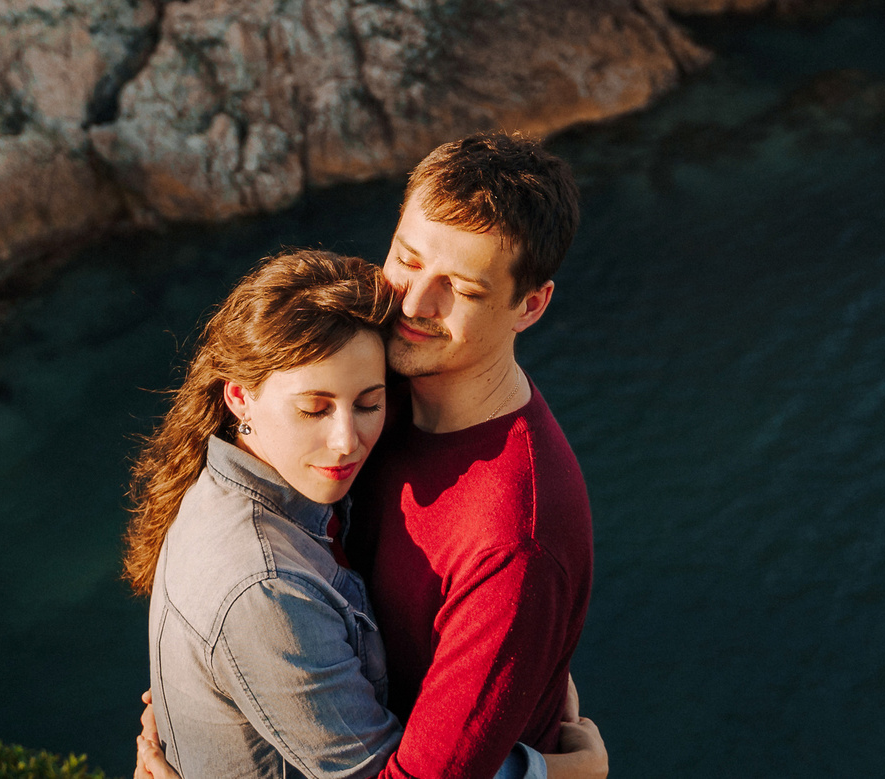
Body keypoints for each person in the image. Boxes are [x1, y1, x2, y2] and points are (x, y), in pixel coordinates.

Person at [125, 246, 607, 779]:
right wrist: (565, 772)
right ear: (240, 397)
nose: (346, 441)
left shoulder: (253, 493)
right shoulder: (265, 588)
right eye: (314, 408)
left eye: (369, 403)